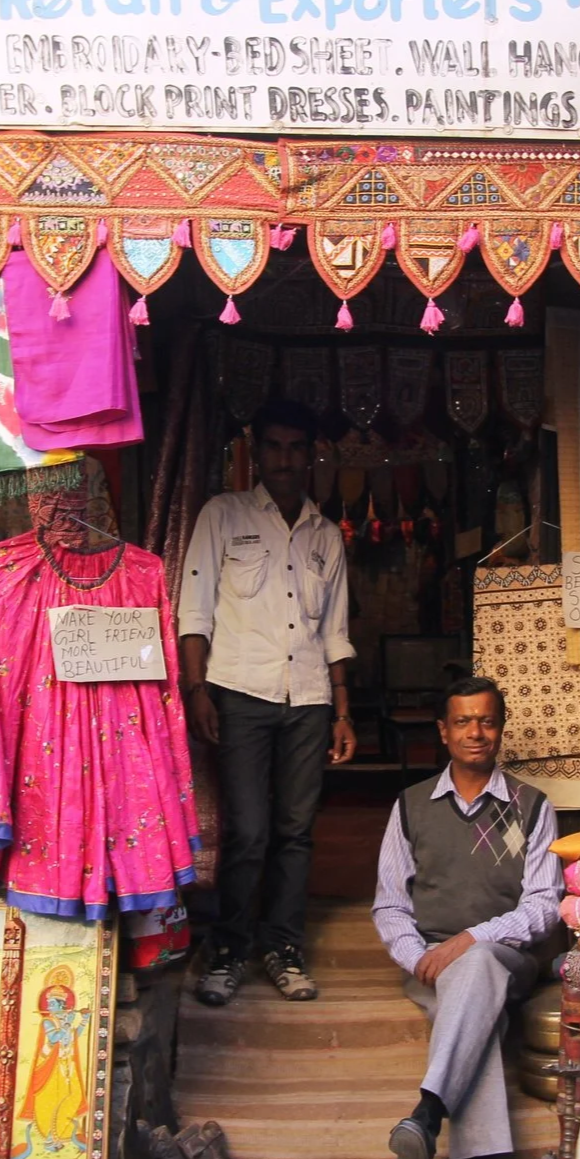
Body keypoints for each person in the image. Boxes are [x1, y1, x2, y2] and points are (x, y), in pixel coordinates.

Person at [372, 675, 561, 1159]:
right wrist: (421, 956)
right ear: (443, 732)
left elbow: (545, 905)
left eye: (486, 720)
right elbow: (389, 903)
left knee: (478, 967)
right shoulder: (409, 807)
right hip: (434, 965)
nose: (476, 732)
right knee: (473, 1003)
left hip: (510, 958)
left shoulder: (532, 806)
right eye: (463, 721)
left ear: (500, 728)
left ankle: (430, 1111)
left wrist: (472, 938)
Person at [178, 398, 356, 1006]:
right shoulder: (223, 516)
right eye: (273, 447)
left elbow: (335, 628)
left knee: (295, 831)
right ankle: (228, 950)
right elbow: (194, 612)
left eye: (295, 448)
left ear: (312, 455)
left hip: (307, 698)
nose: (283, 460)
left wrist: (341, 708)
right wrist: (198, 689)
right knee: (248, 830)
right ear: (256, 450)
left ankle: (283, 948)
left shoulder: (325, 535)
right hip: (239, 694)